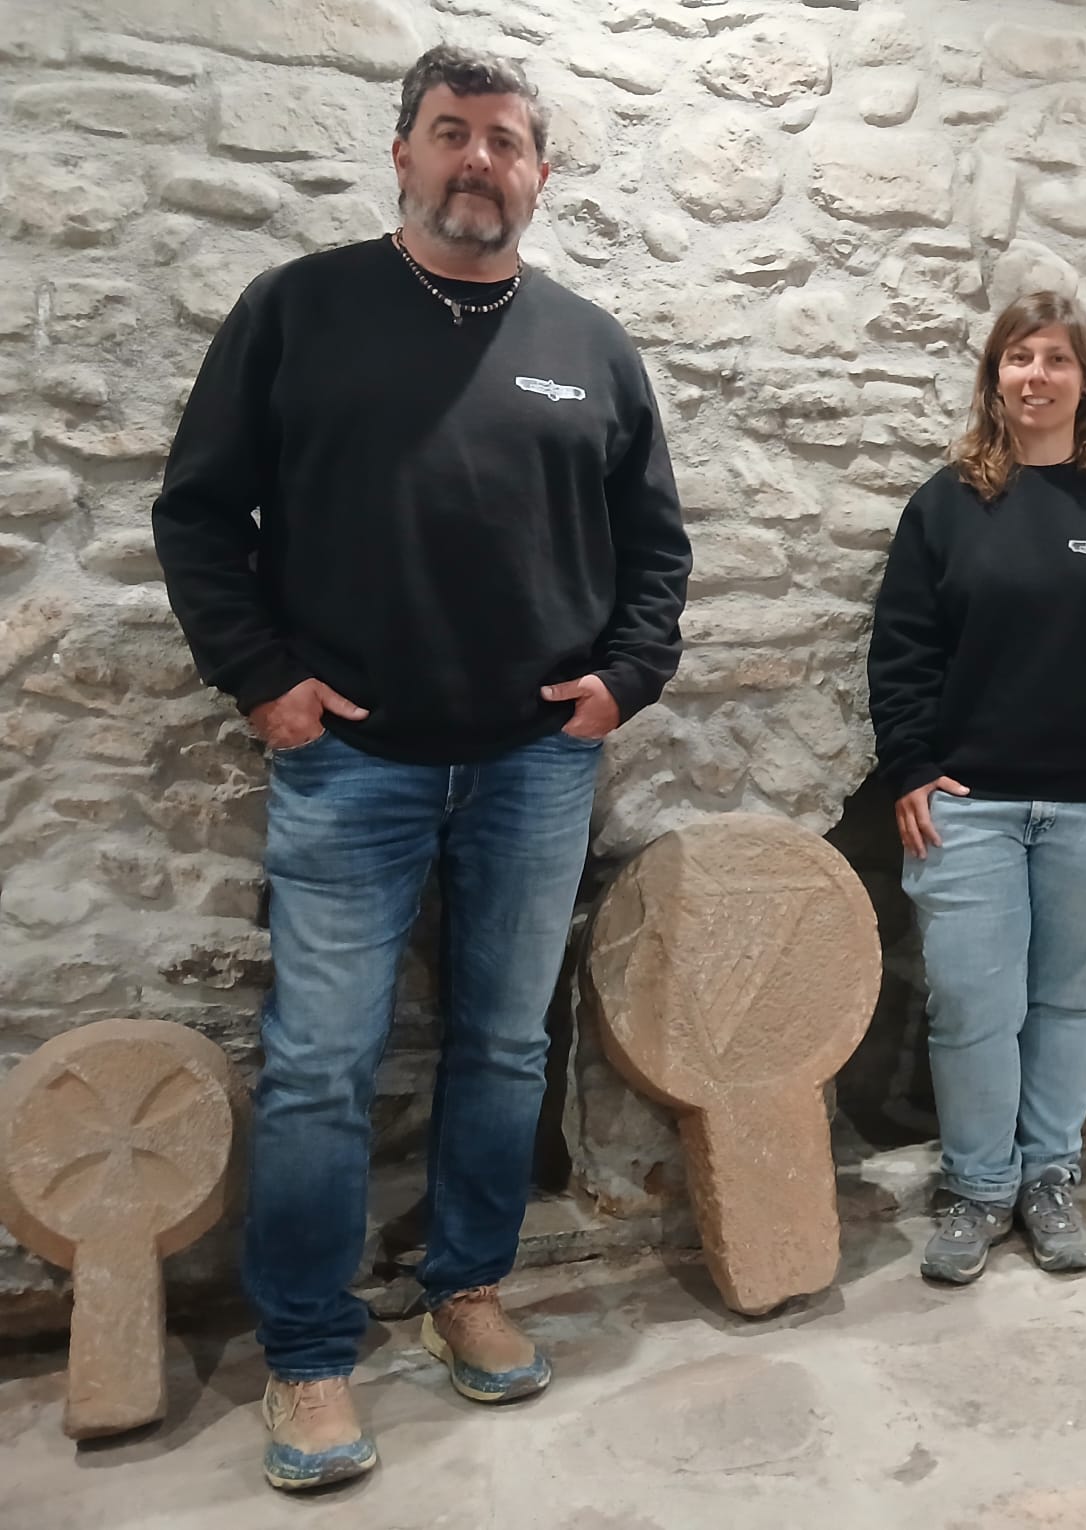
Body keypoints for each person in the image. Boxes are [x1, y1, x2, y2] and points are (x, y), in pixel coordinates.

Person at [152, 45, 691, 1489]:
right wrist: (263, 677)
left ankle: (466, 1280)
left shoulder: (589, 344)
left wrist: (622, 682)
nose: (478, 162)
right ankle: (312, 1353)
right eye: (451, 134)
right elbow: (199, 513)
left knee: (506, 1045)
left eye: (506, 141)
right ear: (401, 153)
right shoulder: (301, 311)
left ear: (539, 173)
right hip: (352, 765)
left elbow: (657, 550)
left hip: (533, 765)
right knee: (324, 1067)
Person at [867, 291, 1086, 1284]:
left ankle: (1049, 1180)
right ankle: (978, 1190)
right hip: (966, 810)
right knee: (971, 1004)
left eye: (1056, 359)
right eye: (1018, 358)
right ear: (994, 377)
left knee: (1064, 1002)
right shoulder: (947, 504)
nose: (1035, 376)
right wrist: (914, 769)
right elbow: (902, 653)